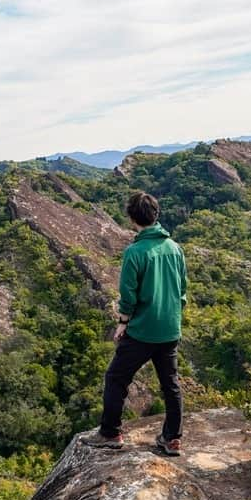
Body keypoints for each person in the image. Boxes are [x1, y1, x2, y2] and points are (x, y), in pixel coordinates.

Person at [80, 190, 187, 455]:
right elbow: (182, 290)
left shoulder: (135, 252)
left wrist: (123, 322)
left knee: (116, 378)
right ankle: (172, 439)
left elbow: (128, 294)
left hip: (142, 330)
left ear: (131, 218)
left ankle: (110, 433)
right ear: (156, 214)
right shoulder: (175, 249)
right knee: (170, 384)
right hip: (170, 328)